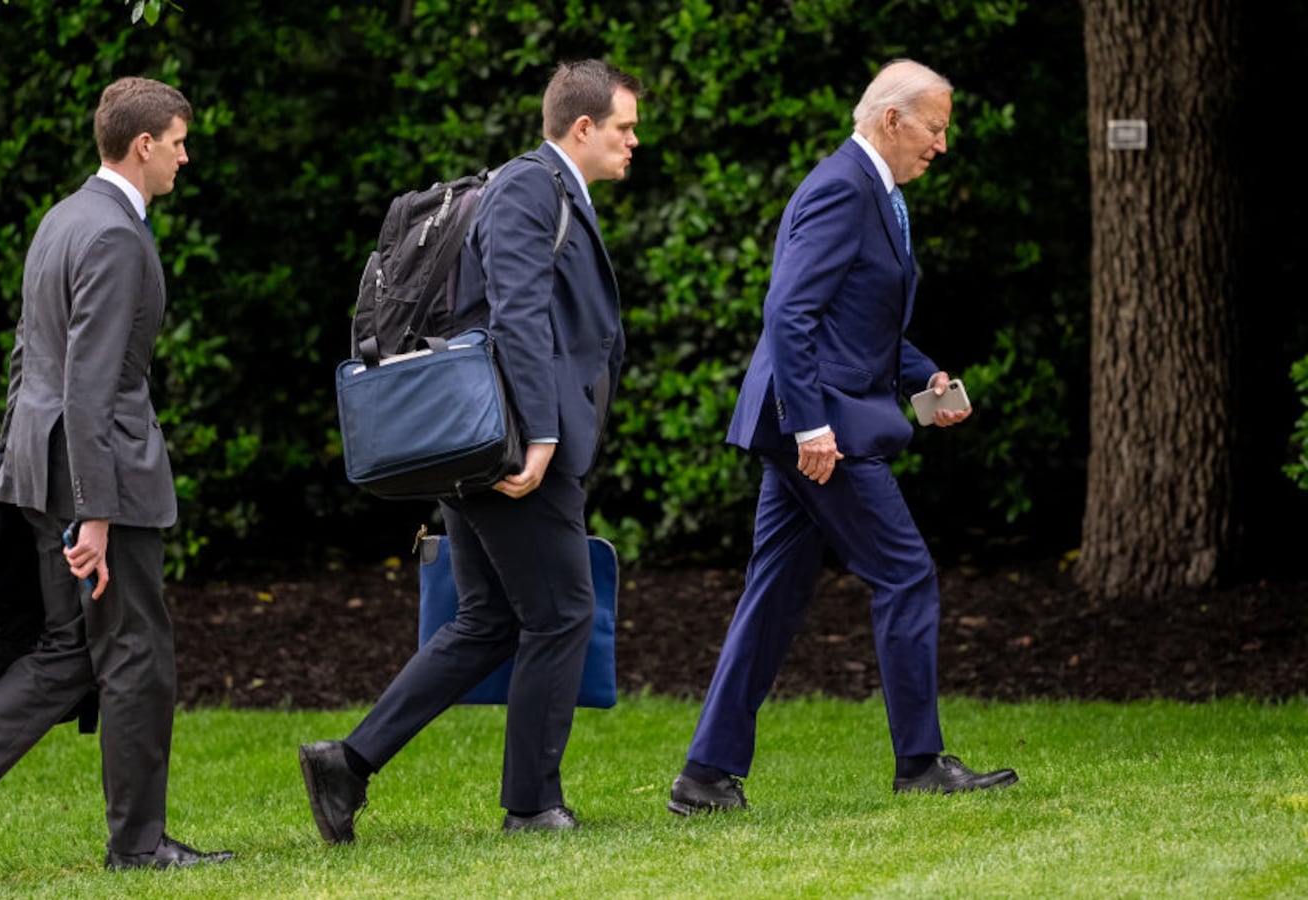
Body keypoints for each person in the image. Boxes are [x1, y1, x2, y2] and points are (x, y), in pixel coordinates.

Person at [0, 76, 234, 882]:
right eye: (178, 141)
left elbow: (27, 358)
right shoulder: (112, 236)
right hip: (96, 480)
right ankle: (138, 847)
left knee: (72, 650)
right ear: (143, 144)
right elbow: (91, 383)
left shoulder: (63, 219)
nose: (185, 156)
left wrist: (18, 465)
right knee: (137, 653)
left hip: (46, 470)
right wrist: (94, 512)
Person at [299, 59, 643, 842]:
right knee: (560, 614)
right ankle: (532, 805)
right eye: (624, 128)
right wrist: (544, 437)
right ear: (581, 128)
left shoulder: (544, 191)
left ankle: (345, 765)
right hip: (513, 444)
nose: (633, 143)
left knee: (488, 619)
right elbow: (519, 313)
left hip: (484, 436)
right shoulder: (530, 188)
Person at [667, 59, 1018, 816]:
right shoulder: (840, 187)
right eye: (935, 127)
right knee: (906, 573)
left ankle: (704, 776)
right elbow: (789, 313)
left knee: (774, 595)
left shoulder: (877, 191)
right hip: (819, 429)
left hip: (813, 420)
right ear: (891, 120)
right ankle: (920, 762)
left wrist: (924, 378)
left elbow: (860, 321)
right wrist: (812, 427)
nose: (942, 145)